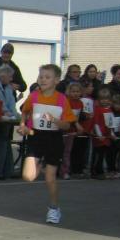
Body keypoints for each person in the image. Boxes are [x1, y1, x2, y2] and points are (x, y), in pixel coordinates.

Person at [18, 64, 76, 224]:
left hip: (54, 139)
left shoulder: (61, 99)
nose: (43, 80)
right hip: (35, 137)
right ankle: (40, 164)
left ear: (56, 80)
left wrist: (56, 121)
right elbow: (25, 112)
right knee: (28, 176)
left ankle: (54, 208)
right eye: (41, 76)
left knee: (50, 178)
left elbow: (67, 125)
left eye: (47, 77)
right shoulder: (34, 96)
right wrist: (23, 126)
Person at [0, 64, 18, 179]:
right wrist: (8, 113)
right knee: (2, 141)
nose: (11, 79)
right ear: (3, 76)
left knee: (6, 141)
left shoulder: (8, 88)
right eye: (10, 76)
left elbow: (11, 104)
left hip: (5, 119)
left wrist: (15, 115)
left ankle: (8, 170)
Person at [59, 82, 87, 180]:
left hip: (72, 130)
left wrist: (77, 126)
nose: (75, 93)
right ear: (69, 92)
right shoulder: (67, 102)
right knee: (60, 150)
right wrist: (77, 125)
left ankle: (65, 171)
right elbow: (68, 115)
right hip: (63, 129)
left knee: (67, 151)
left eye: (77, 91)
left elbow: (77, 116)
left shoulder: (80, 103)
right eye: (73, 91)